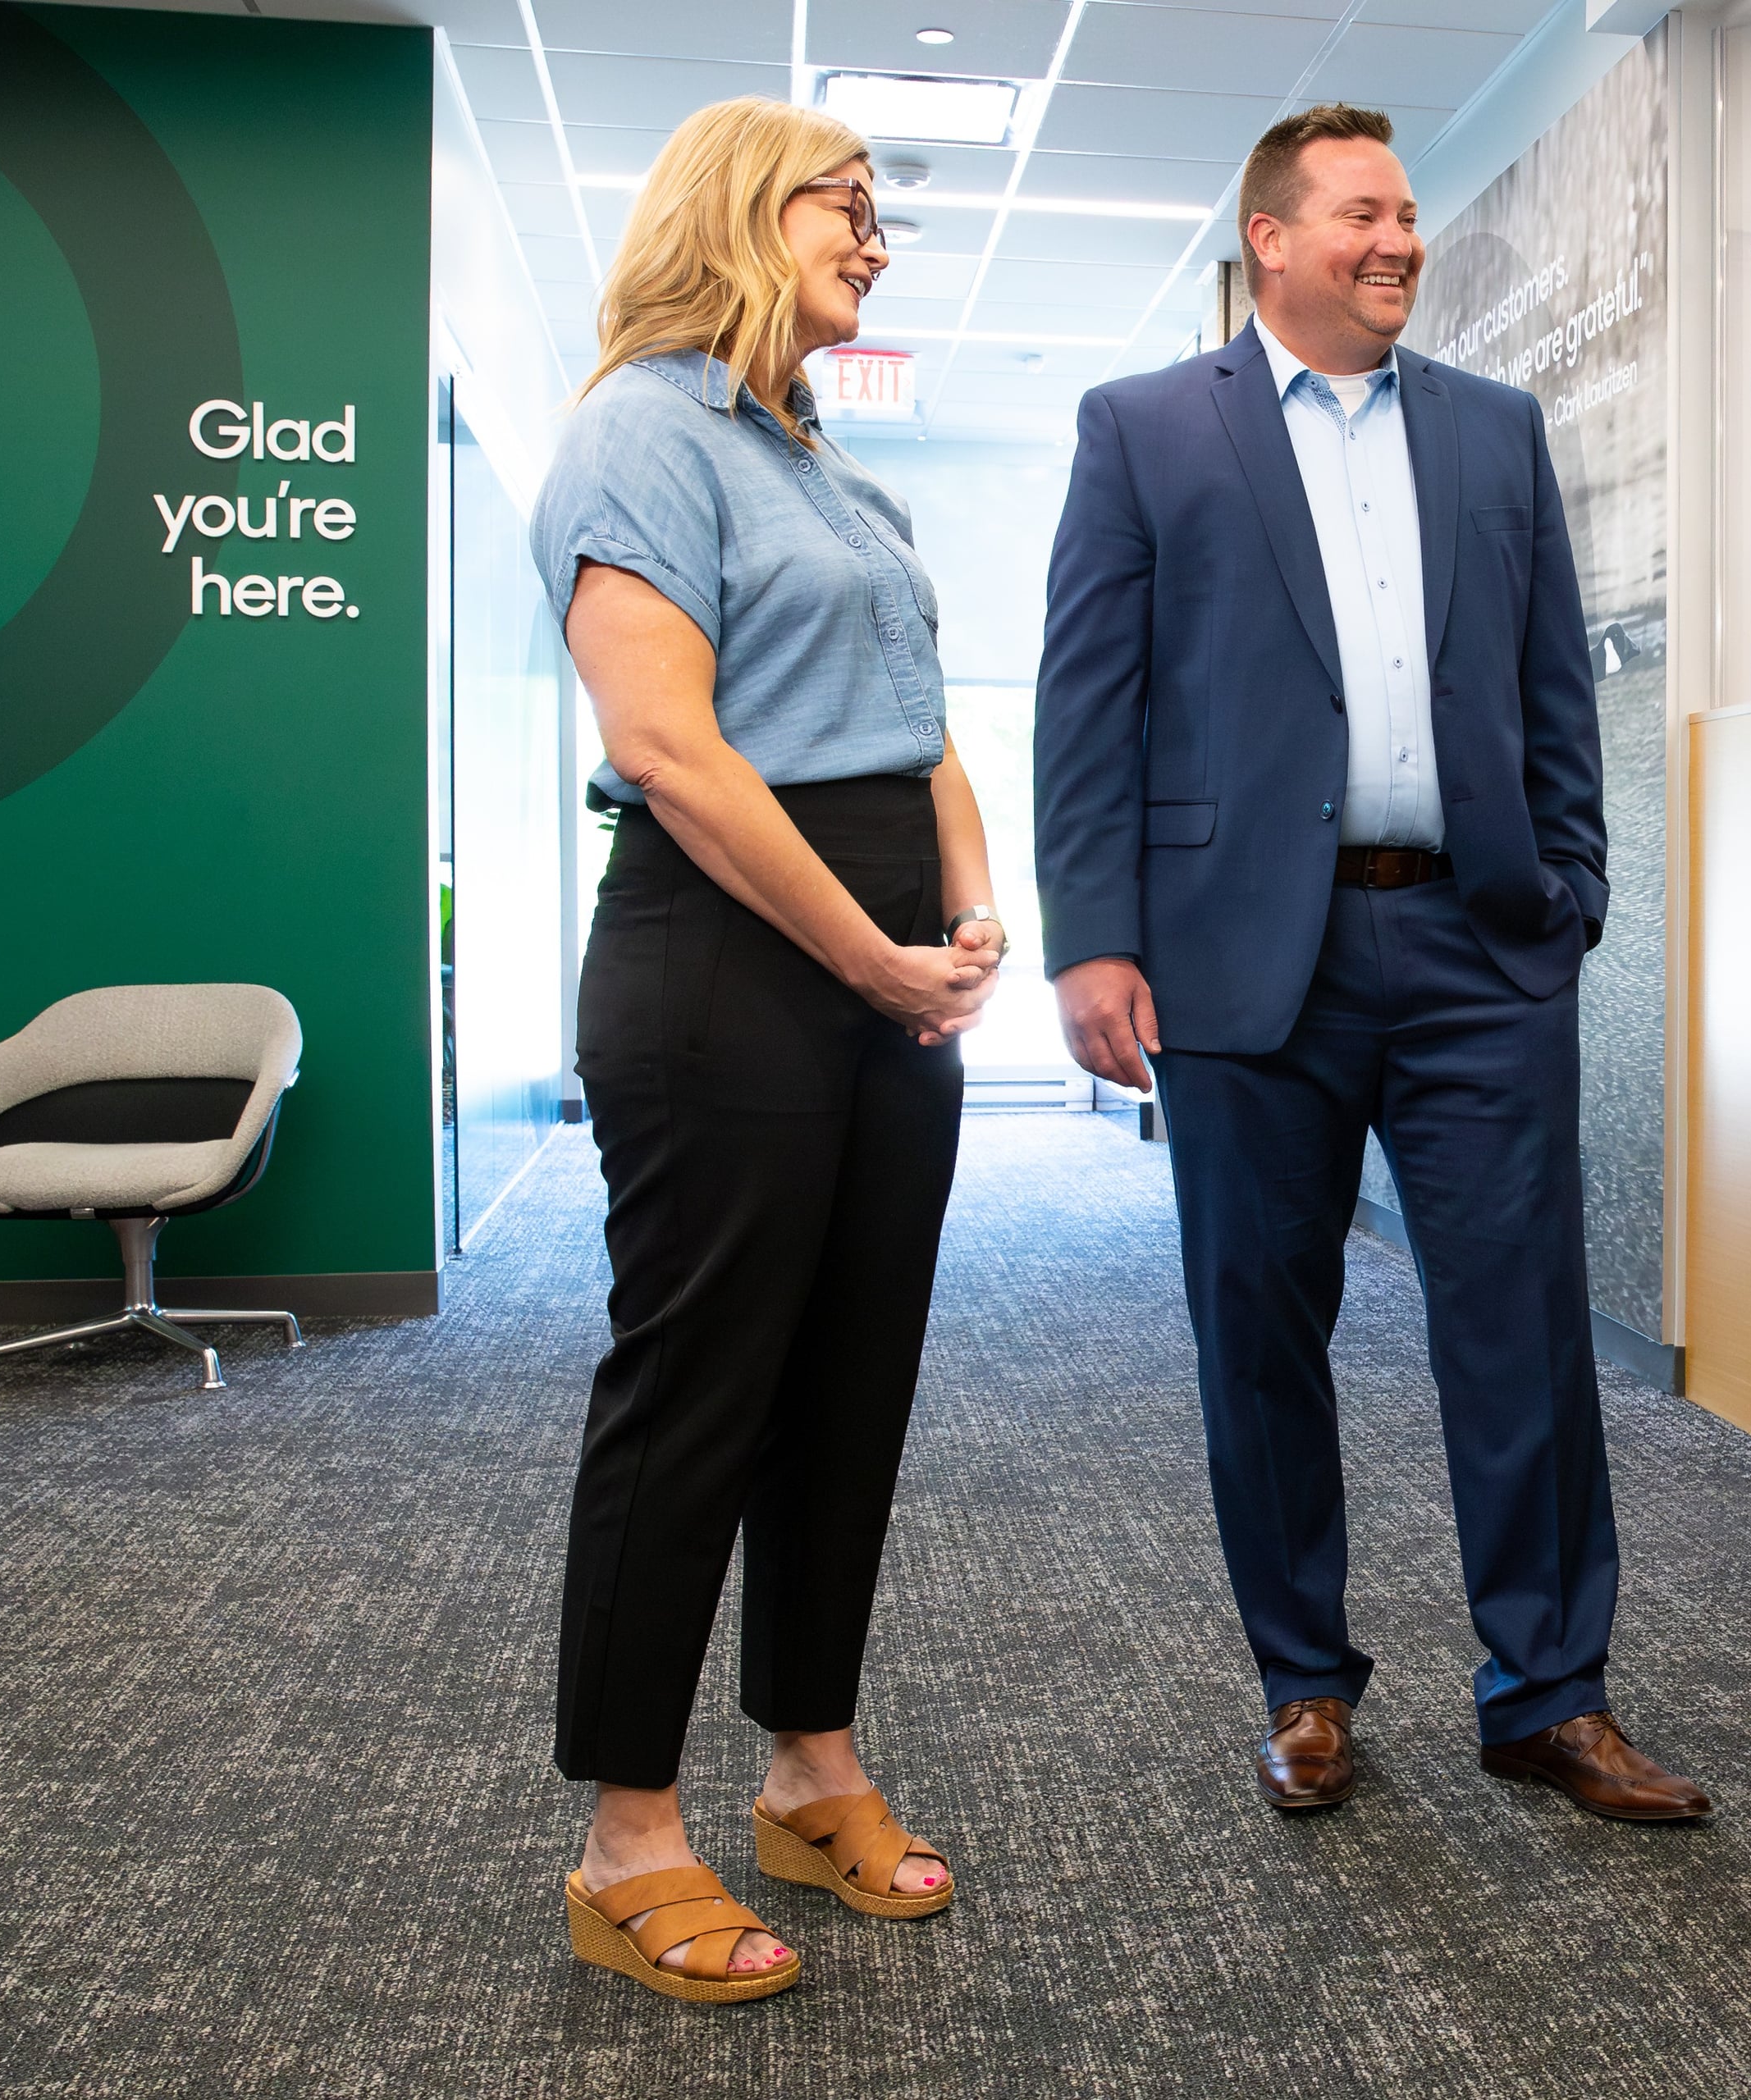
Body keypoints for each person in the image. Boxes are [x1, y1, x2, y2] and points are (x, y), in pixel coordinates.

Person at [1035, 103, 1710, 1824]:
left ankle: (1549, 1692)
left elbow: (1555, 686)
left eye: (1407, 212)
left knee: (1524, 1325)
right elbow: (1089, 701)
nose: (1399, 239)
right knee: (1260, 1327)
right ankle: (1306, 1683)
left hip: (1481, 943)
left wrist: (1571, 889)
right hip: (1244, 954)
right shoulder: (1145, 429)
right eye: (1361, 213)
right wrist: (1093, 938)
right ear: (1270, 238)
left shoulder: (1494, 429)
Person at [533, 97, 1007, 2006]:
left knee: (848, 1384)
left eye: (882, 213)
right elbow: (668, 746)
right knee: (698, 1390)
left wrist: (971, 913)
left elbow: (924, 724)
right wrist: (872, 955)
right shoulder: (638, 430)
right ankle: (626, 1834)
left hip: (883, 966)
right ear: (737, 210)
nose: (875, 239)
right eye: (847, 204)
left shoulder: (831, 468)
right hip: (725, 957)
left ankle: (811, 1763)